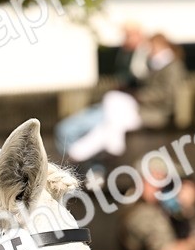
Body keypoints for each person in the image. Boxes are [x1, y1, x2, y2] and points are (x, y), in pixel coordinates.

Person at [64, 33, 187, 163]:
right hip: (144, 109)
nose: (150, 51)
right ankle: (87, 151)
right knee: (112, 120)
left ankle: (79, 152)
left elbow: (166, 94)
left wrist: (139, 96)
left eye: (152, 47)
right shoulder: (157, 65)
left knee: (112, 111)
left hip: (155, 113)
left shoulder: (171, 66)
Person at [55, 23, 151, 157]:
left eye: (129, 36)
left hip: (123, 105)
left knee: (82, 131)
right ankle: (79, 160)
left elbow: (138, 78)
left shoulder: (145, 55)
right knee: (68, 129)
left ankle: (78, 160)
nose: (125, 39)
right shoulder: (125, 55)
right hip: (112, 104)